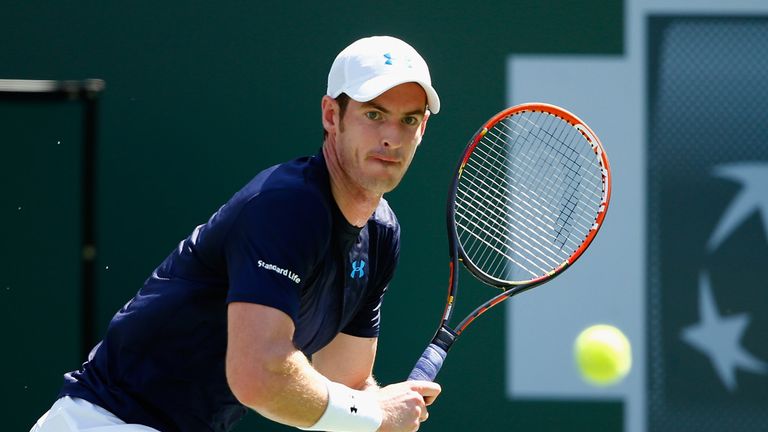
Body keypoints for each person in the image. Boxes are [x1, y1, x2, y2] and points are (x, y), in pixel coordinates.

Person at [30, 35, 442, 432]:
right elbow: (259, 378)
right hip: (107, 421)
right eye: (373, 114)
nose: (392, 137)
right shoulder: (288, 204)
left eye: (408, 120)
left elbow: (345, 386)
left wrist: (383, 410)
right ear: (332, 116)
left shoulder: (381, 234)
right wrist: (375, 415)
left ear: (422, 128)